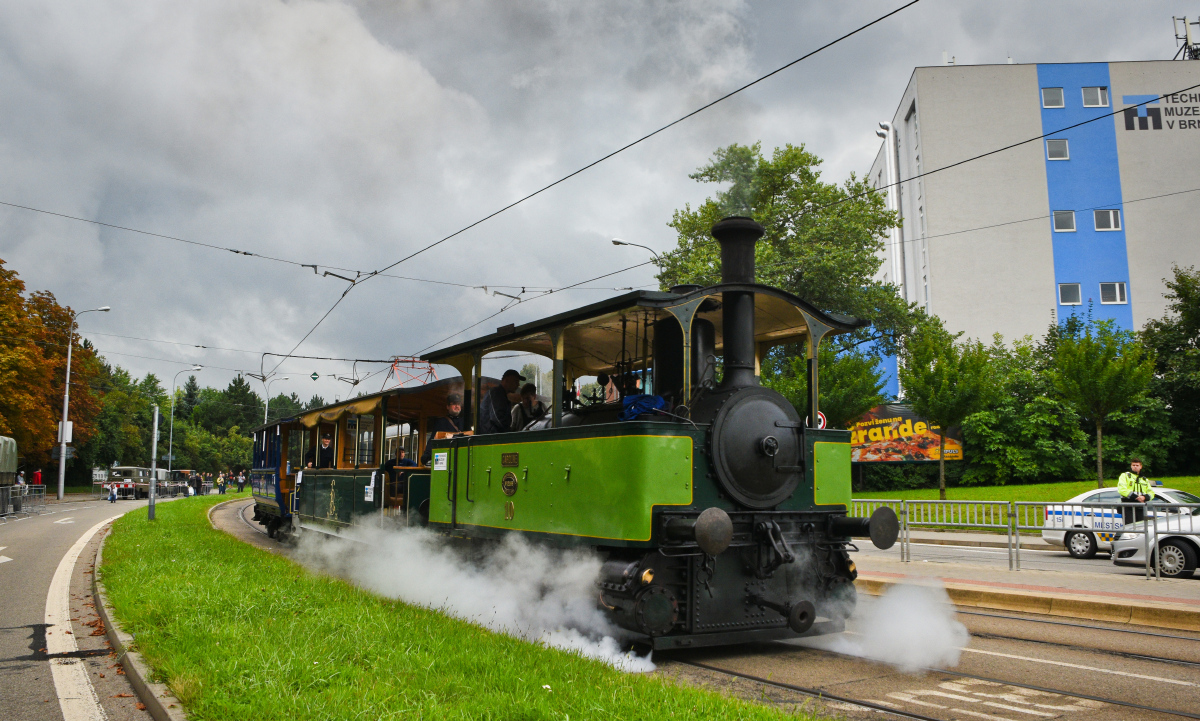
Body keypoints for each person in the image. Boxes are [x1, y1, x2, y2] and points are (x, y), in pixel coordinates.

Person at [479, 370, 524, 434]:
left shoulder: (502, 395)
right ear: (506, 380)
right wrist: (509, 432)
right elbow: (497, 419)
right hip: (491, 438)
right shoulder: (496, 393)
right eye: (516, 381)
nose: (518, 384)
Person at [1118, 458, 1155, 523]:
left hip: (1140, 506)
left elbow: (1151, 492)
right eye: (1133, 465)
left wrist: (1144, 497)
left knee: (1141, 527)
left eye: (1137, 465)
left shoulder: (1144, 479)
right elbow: (1122, 489)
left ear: (1141, 466)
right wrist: (1136, 497)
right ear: (1131, 466)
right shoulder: (1125, 476)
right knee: (1130, 527)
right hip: (1128, 505)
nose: (1135, 467)